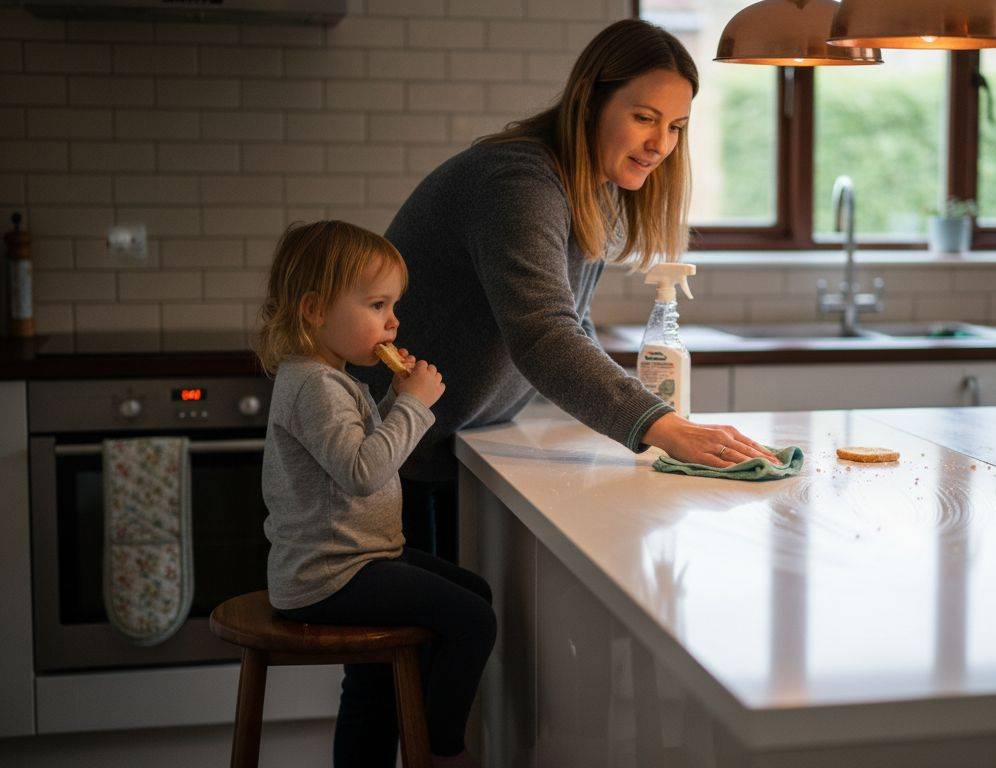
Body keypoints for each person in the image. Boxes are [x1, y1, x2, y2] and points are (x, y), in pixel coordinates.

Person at [355, 18, 780, 561]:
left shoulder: (587, 188)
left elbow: (571, 323)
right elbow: (543, 334)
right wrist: (661, 425)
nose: (660, 144)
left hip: (438, 441)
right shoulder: (518, 183)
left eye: (676, 126)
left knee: (452, 629)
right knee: (423, 636)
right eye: (644, 118)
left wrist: (651, 419)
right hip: (381, 449)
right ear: (589, 103)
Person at [256, 220, 496, 768]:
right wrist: (413, 406)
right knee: (474, 620)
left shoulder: (332, 377)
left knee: (471, 597)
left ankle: (415, 742)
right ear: (315, 310)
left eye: (393, 305)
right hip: (330, 574)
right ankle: (440, 751)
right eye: (377, 305)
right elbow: (364, 472)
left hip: (356, 558)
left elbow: (364, 457)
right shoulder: (315, 385)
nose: (393, 320)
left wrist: (395, 402)